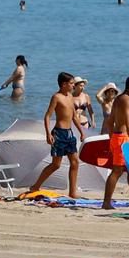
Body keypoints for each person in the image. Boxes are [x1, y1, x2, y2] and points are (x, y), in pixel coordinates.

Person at [24, 72, 84, 200]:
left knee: (75, 162)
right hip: (59, 133)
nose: (73, 86)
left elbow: (74, 117)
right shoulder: (56, 97)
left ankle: (72, 192)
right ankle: (35, 186)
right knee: (56, 164)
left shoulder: (70, 97)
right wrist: (47, 133)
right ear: (64, 84)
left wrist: (82, 132)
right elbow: (47, 116)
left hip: (69, 134)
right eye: (72, 83)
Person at [101, 76, 129, 210]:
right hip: (123, 139)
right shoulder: (126, 100)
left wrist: (112, 139)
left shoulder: (118, 99)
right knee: (117, 171)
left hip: (118, 137)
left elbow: (109, 122)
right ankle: (106, 203)